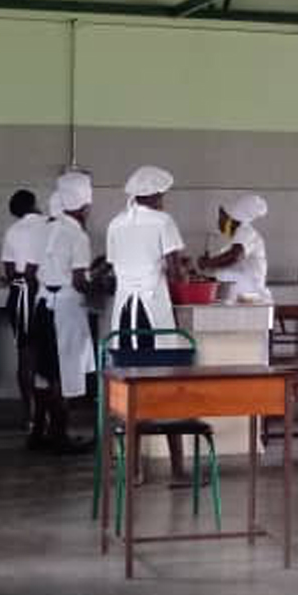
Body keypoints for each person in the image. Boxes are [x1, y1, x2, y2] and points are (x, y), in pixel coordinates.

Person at [106, 164, 190, 477]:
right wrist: (183, 270)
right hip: (154, 314)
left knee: (132, 390)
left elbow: (116, 267)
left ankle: (134, 469)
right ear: (154, 195)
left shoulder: (116, 223)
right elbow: (176, 269)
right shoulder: (163, 222)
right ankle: (179, 471)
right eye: (163, 195)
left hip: (125, 316)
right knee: (166, 388)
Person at [29, 174, 97, 453]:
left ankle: (37, 432)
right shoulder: (77, 235)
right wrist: (98, 279)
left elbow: (32, 272)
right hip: (66, 309)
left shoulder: (42, 229)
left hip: (42, 304)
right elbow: (80, 281)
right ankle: (60, 436)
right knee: (63, 374)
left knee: (43, 373)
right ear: (84, 207)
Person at [0, 189, 48, 440]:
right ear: (35, 204)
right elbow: (38, 267)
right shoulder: (48, 225)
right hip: (44, 293)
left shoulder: (13, 231)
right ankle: (47, 414)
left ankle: (28, 414)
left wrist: (19, 276)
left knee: (25, 355)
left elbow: (10, 272)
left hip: (20, 295)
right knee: (47, 357)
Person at [198, 194, 271, 304]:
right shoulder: (238, 236)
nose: (219, 221)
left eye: (221, 216)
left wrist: (207, 263)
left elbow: (235, 256)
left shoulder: (246, 232)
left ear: (230, 218)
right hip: (240, 298)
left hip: (249, 298)